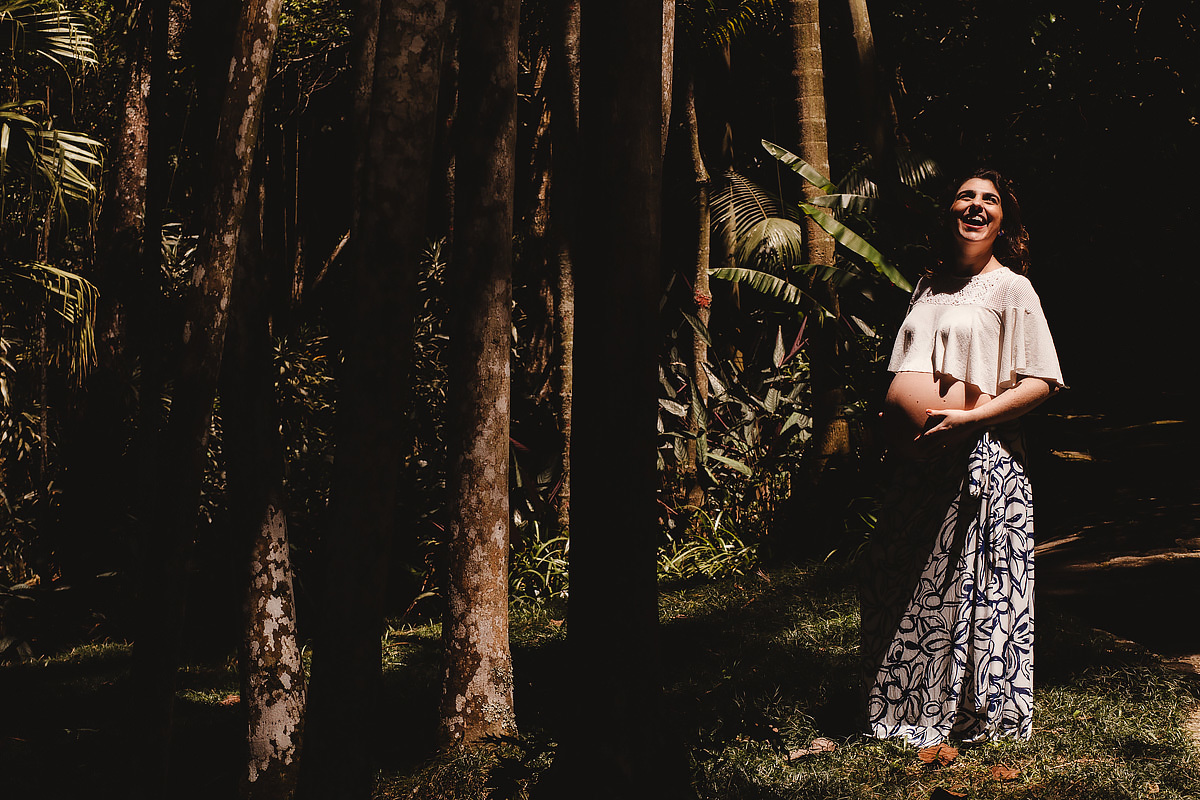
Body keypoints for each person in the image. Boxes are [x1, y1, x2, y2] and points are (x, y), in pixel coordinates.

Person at [859, 168, 1065, 747]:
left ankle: (972, 714)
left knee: (971, 591)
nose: (976, 207)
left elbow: (1043, 381)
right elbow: (910, 365)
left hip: (981, 458)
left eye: (990, 201)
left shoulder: (1012, 288)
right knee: (897, 578)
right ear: (948, 211)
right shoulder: (927, 284)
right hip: (915, 467)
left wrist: (971, 419)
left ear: (1005, 222)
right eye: (965, 196)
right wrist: (890, 419)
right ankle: (902, 703)